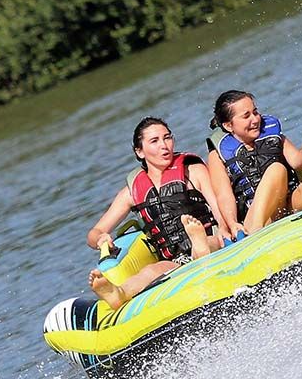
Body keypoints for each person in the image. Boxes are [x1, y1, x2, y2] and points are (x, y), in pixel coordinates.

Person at [86, 117, 227, 309]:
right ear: (139, 151)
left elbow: (219, 209)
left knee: (208, 242)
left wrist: (226, 228)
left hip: (213, 240)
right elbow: (94, 233)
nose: (164, 146)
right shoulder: (132, 192)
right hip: (174, 260)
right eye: (154, 141)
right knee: (151, 271)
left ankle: (200, 248)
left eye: (167, 138)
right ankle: (118, 292)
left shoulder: (192, 171)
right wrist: (101, 238)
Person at [206, 90, 302, 238]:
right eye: (246, 116)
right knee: (277, 169)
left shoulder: (273, 135)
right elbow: (224, 195)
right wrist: (232, 224)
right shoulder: (217, 155)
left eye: (255, 112)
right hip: (256, 216)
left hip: (287, 205)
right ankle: (256, 231)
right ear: (228, 126)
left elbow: (297, 162)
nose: (255, 119)